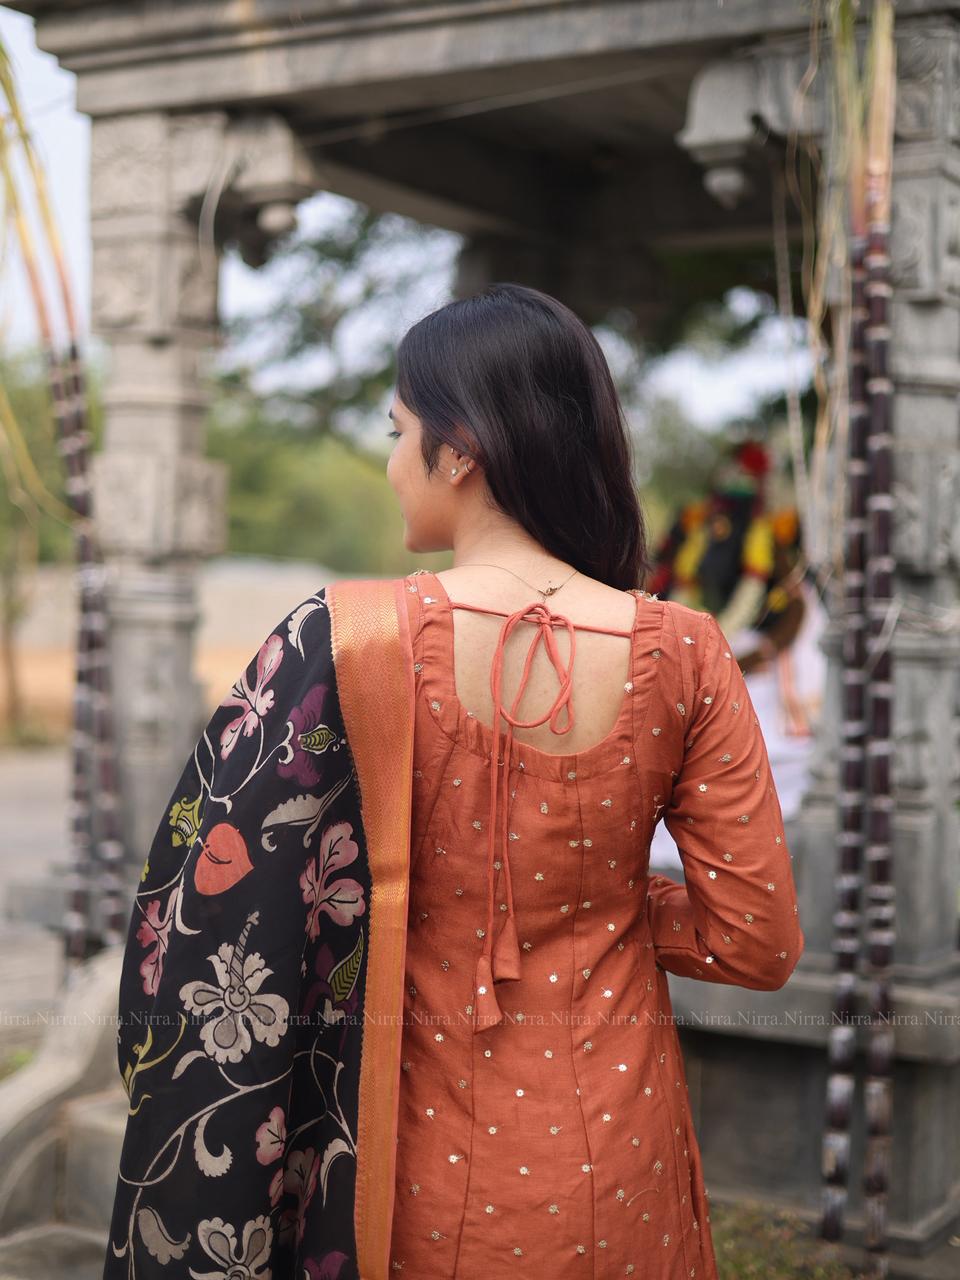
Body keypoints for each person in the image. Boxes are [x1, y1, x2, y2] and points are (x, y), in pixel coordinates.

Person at [104, 282, 804, 1280]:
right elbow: (759, 940)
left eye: (399, 432)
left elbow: (207, 906)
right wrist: (596, 896)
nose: (394, 465)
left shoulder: (345, 639)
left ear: (461, 445)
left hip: (398, 1167)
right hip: (623, 1157)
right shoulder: (688, 650)